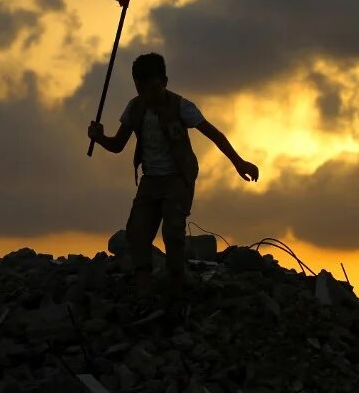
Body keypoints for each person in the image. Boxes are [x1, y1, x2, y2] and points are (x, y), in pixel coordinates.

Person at [87, 52, 259, 320]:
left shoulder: (181, 107)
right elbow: (118, 145)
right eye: (141, 89)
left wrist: (239, 162)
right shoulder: (135, 109)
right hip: (150, 180)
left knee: (173, 234)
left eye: (152, 88)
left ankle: (177, 294)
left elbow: (213, 133)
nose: (147, 94)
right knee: (137, 233)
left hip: (178, 178)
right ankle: (144, 295)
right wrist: (98, 138)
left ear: (164, 81)